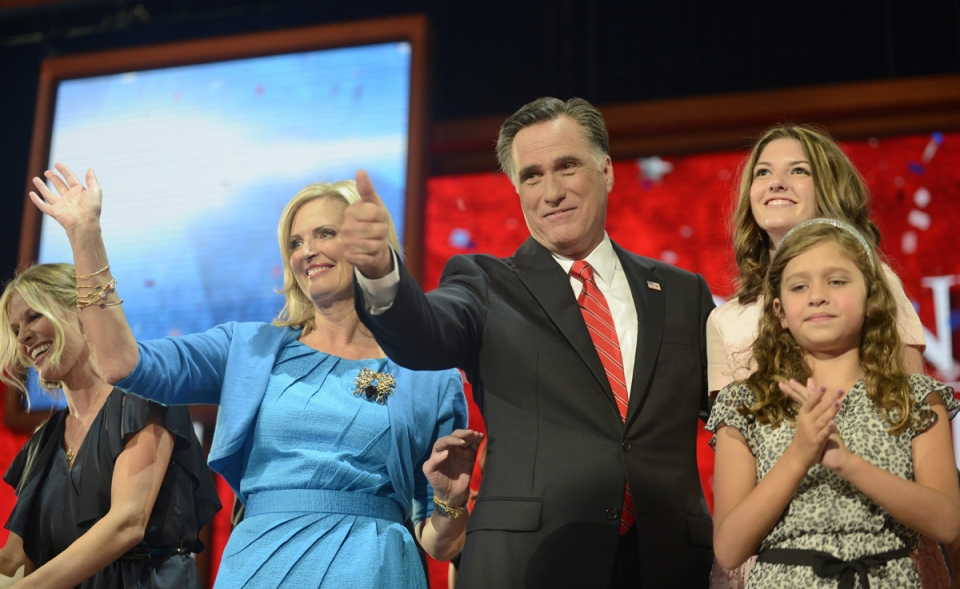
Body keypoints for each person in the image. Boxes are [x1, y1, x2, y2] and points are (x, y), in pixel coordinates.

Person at [29, 165, 483, 588]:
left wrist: (451, 499)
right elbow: (121, 363)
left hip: (373, 568)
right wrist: (85, 235)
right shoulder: (247, 349)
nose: (307, 251)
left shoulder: (429, 374)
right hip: (260, 565)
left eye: (326, 233)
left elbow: (441, 543)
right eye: (295, 242)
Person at [342, 97, 715, 588]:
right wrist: (380, 273)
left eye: (567, 167)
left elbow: (739, 414)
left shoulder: (683, 292)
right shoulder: (484, 283)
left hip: (668, 564)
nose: (552, 191)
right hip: (530, 564)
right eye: (532, 176)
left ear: (606, 170)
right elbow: (423, 335)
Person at [706, 124, 945, 588]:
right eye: (763, 172)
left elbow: (905, 424)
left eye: (798, 170)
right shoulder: (726, 320)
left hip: (884, 547)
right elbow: (735, 465)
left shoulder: (881, 288)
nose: (776, 182)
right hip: (772, 554)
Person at [0, 263, 221, 588]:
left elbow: (127, 523)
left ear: (81, 312)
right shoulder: (42, 443)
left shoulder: (142, 398)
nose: (24, 337)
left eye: (34, 316)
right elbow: (15, 556)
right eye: (16, 329)